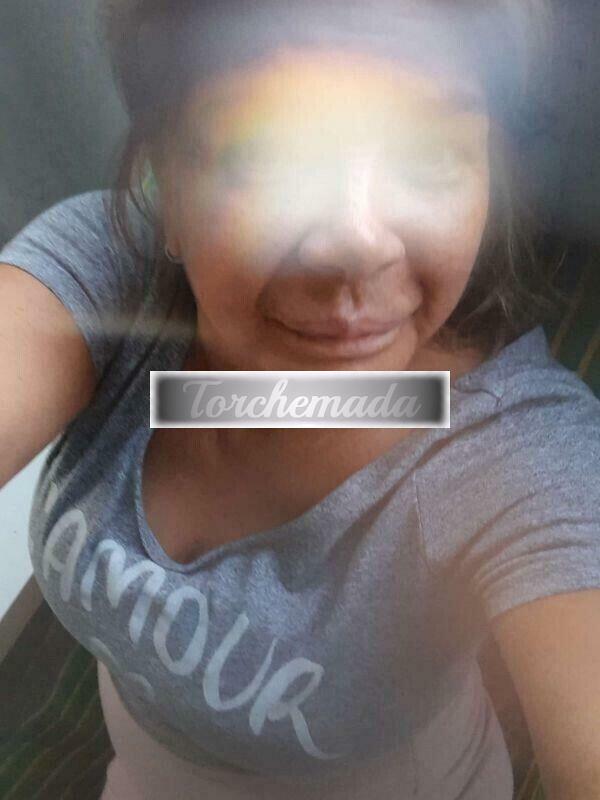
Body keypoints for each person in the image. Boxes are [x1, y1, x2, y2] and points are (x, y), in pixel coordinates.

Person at [1, 1, 599, 798]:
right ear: (167, 185)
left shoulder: (518, 453)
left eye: (428, 154)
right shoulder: (109, 279)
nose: (357, 242)